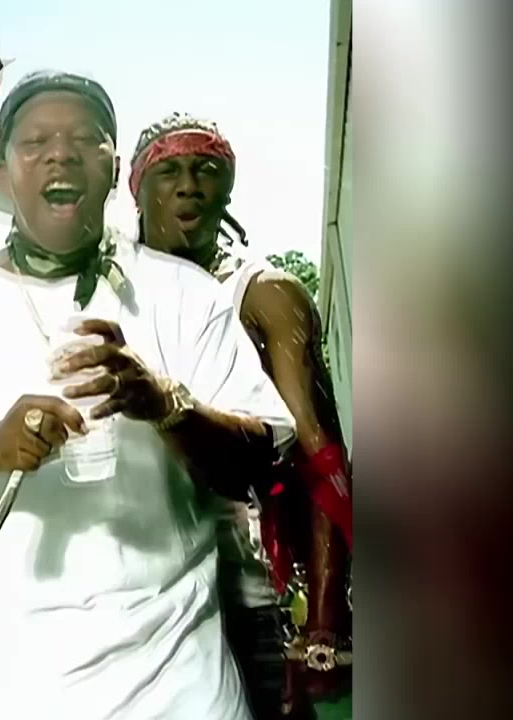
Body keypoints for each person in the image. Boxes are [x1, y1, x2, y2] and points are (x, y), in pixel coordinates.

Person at [0, 71, 296, 719]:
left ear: (114, 169)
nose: (60, 154)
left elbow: (260, 461)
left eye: (84, 139)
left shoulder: (188, 296)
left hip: (171, 692)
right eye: (36, 141)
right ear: (5, 171)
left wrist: (167, 406)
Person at [127, 113, 352, 717]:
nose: (189, 185)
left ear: (228, 187)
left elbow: (320, 458)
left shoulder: (263, 295)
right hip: (124, 596)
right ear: (136, 190)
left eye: (207, 169)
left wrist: (326, 621)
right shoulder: (110, 289)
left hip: (237, 597)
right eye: (169, 171)